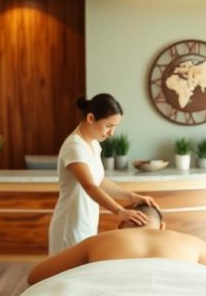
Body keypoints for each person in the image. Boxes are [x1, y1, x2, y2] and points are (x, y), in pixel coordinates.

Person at [30, 204, 206, 285]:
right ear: (162, 227)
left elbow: (36, 276)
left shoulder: (99, 241)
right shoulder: (190, 243)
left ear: (120, 226)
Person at [48, 93, 158, 255]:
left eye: (115, 127)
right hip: (70, 224)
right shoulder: (74, 146)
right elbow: (89, 186)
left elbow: (99, 181)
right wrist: (119, 211)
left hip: (86, 220)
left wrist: (133, 197)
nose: (111, 133)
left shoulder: (93, 144)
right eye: (108, 126)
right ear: (91, 118)